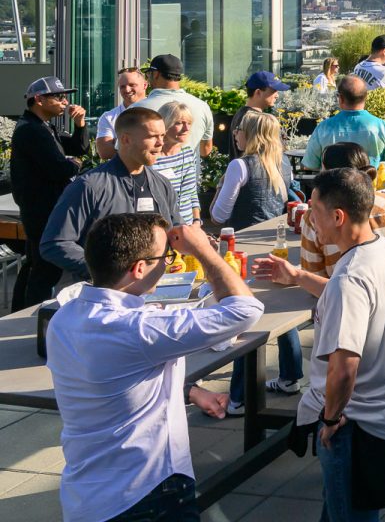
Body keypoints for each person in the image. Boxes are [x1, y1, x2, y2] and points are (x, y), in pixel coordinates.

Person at [47, 213, 262, 522]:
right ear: (138, 269)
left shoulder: (63, 319)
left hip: (86, 499)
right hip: (149, 494)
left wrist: (189, 390)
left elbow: (116, 380)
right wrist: (203, 250)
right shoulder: (140, 328)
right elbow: (247, 309)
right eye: (167, 257)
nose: (169, 263)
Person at [259, 167, 385, 522]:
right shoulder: (384, 251)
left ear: (338, 216)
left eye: (314, 211)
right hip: (384, 412)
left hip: (354, 426)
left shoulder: (349, 277)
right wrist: (298, 277)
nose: (309, 219)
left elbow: (344, 368)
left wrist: (331, 417)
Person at [214, 113, 303, 410]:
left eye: (238, 130)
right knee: (277, 308)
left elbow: (219, 213)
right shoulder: (284, 163)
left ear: (248, 135)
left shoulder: (240, 165)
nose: (235, 135)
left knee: (245, 315)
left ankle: (238, 397)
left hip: (243, 245)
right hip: (275, 243)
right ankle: (291, 375)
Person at [42, 107, 182, 285]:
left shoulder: (162, 184)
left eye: (162, 135)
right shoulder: (89, 186)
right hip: (104, 298)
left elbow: (176, 230)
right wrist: (106, 272)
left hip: (156, 292)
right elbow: (54, 243)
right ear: (125, 139)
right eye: (153, 136)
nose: (161, 143)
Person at [9, 76, 88, 309]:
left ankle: (22, 312)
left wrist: (80, 125)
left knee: (35, 263)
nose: (65, 102)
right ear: (39, 100)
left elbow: (78, 148)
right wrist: (74, 164)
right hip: (40, 208)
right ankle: (32, 315)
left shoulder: (44, 127)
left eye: (65, 97)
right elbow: (59, 168)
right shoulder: (32, 130)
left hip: (41, 206)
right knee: (46, 266)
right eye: (58, 96)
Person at [304, 75, 385, 169]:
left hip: (332, 182)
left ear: (341, 98)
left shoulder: (323, 128)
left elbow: (310, 165)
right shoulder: (382, 126)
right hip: (369, 182)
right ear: (366, 97)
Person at [137, 54, 214, 159]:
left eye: (148, 74)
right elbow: (205, 150)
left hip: (148, 174)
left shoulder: (136, 110)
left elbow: (124, 151)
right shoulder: (203, 106)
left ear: (155, 74)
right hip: (188, 174)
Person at [155, 102, 203, 225]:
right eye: (179, 123)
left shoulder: (188, 154)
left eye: (189, 123)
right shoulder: (151, 159)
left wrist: (197, 221)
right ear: (164, 124)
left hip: (188, 227)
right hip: (162, 228)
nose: (186, 129)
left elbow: (192, 193)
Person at [94, 68, 148, 161]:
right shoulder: (108, 117)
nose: (127, 90)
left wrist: (118, 142)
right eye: (122, 86)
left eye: (132, 85)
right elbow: (105, 152)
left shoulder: (157, 110)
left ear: (145, 85)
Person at [231, 70, 291, 138]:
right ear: (258, 92)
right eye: (273, 91)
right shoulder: (254, 120)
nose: (277, 96)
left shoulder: (242, 114)